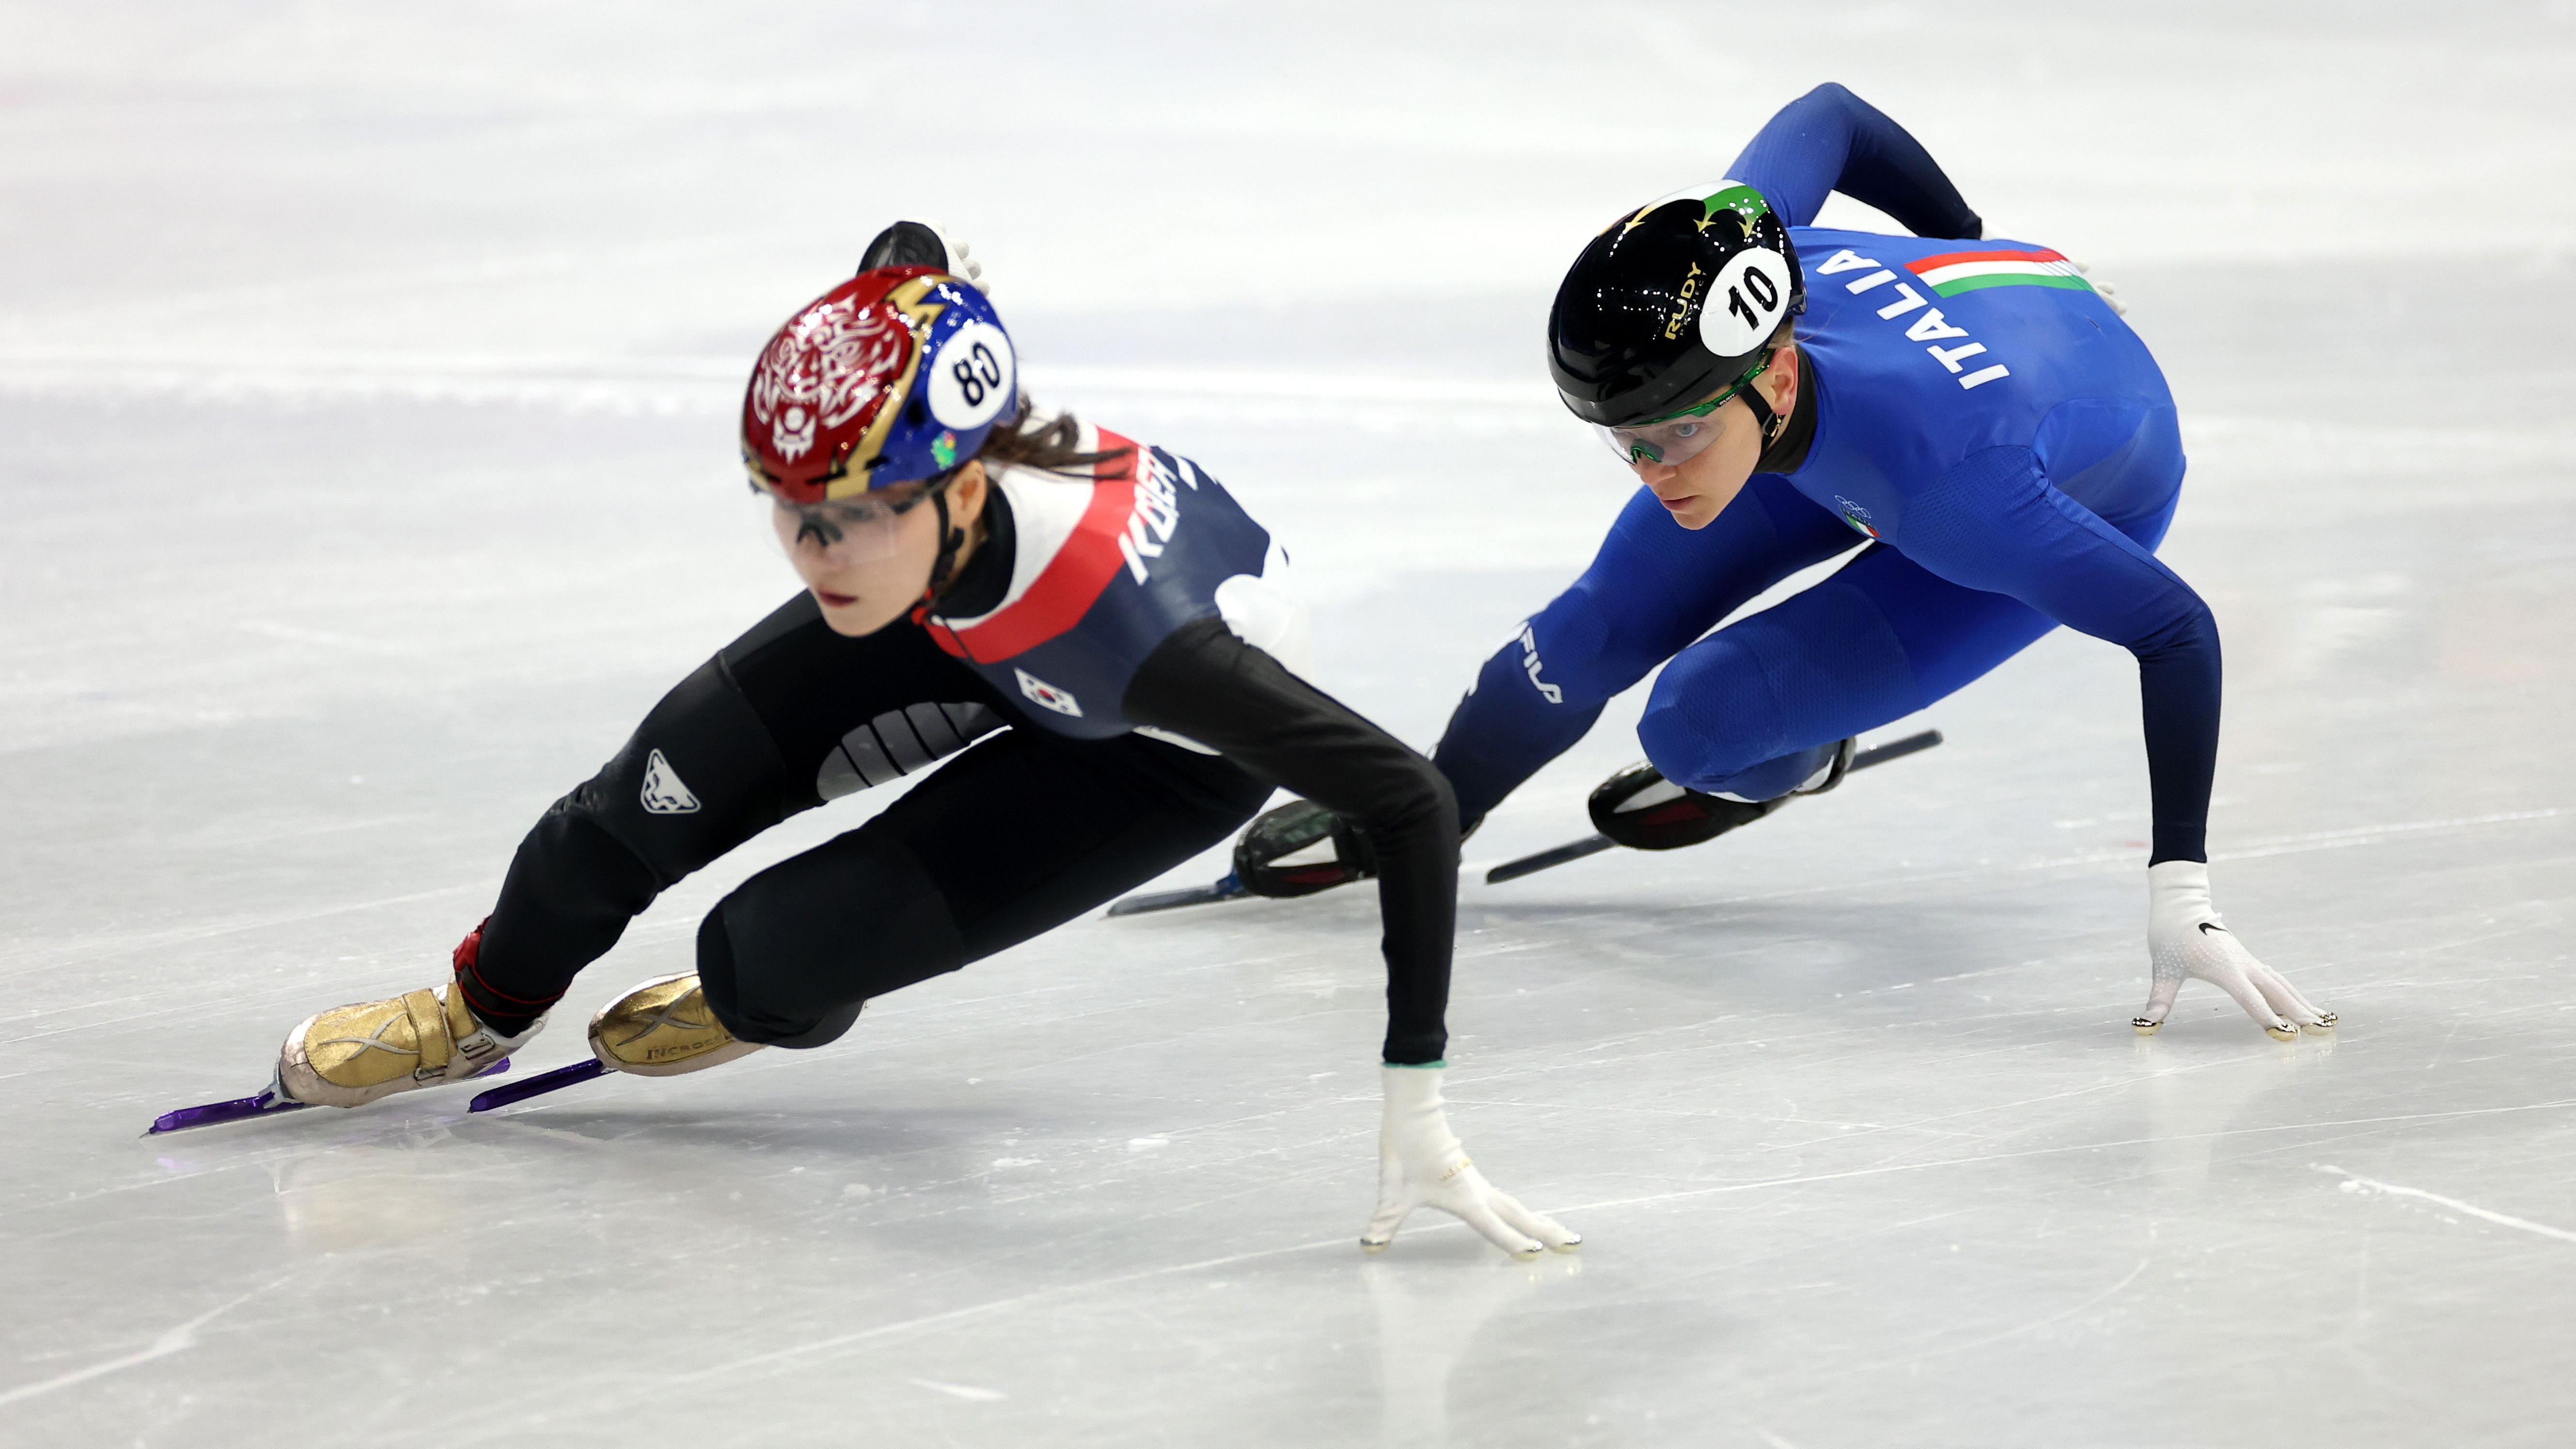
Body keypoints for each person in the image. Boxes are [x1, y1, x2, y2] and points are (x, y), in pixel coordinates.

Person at [237, 223, 1577, 1258]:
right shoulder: (895, 506)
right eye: (787, 507)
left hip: (1147, 743)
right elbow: (909, 263)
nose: (812, 551)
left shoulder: (1146, 637)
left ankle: (775, 992)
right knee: (632, 807)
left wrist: (1416, 1097)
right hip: (946, 612)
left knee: (763, 955)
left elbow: (1408, 798)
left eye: (847, 516)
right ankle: (474, 1017)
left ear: (963, 481)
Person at [1231, 86, 2333, 1041]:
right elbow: (1829, 116)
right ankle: (1428, 811)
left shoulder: (1962, 494)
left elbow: (2176, 629)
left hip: (2052, 472)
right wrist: (1965, 238)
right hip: (1905, 388)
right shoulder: (1736, 254)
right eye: (1626, 442)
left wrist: (2181, 889)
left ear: (1773, 374)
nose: (1654, 470)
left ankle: (1804, 750)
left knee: (1696, 726)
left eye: (1677, 435)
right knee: (1583, 634)